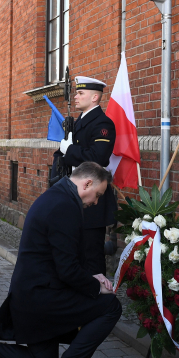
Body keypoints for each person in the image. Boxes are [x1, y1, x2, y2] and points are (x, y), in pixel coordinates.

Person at [0, 162, 120, 358]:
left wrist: (92, 274)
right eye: (98, 195)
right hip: (42, 299)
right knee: (111, 306)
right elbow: (67, 269)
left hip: (32, 295)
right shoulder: (65, 206)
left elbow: (60, 255)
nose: (96, 202)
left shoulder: (57, 196)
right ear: (87, 183)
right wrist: (95, 286)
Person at [51, 76, 117, 275]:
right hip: (73, 194)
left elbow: (97, 158)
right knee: (74, 251)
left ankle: (97, 296)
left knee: (91, 254)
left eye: (81, 93)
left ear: (95, 97)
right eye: (76, 93)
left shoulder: (102, 123)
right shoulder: (78, 122)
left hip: (91, 198)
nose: (76, 97)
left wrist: (68, 149)